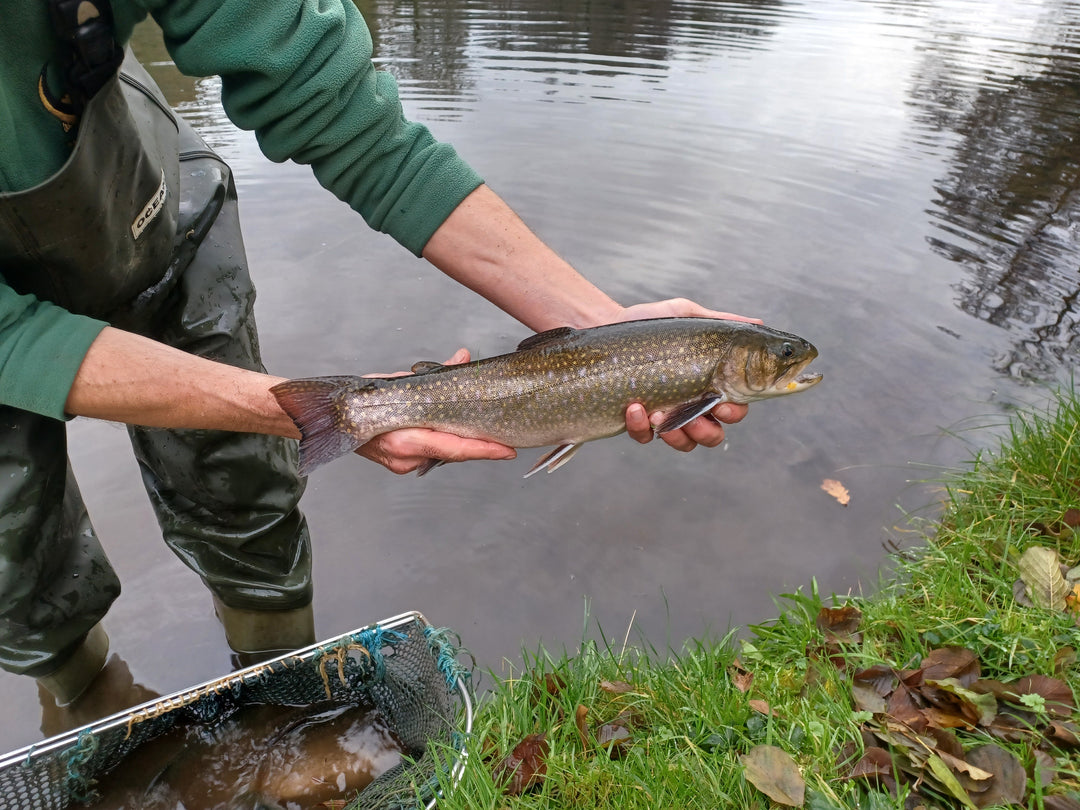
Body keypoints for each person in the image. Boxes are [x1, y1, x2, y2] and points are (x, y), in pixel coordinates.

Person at [0, 0, 751, 709]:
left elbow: (346, 114)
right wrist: (282, 405)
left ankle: (282, 699)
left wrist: (609, 332)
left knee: (242, 486)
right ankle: (85, 707)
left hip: (134, 185)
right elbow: (16, 340)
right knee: (16, 560)